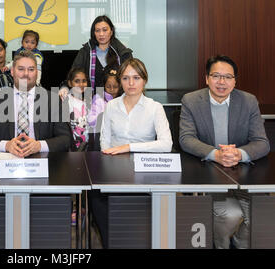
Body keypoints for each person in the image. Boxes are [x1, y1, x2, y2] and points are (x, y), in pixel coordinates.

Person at [179, 55, 270, 249]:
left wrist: (239, 154)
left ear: (235, 81)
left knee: (264, 213)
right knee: (231, 214)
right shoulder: (191, 101)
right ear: (206, 78)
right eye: (216, 76)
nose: (222, 82)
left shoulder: (248, 101)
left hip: (245, 174)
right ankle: (220, 245)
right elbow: (186, 139)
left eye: (228, 77)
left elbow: (262, 142)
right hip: (209, 172)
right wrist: (215, 154)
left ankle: (238, 243)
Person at [91, 58, 172, 248]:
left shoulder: (155, 108)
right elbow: (105, 142)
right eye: (126, 78)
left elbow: (166, 144)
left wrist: (129, 147)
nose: (131, 83)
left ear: (144, 80)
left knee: (136, 207)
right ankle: (111, 243)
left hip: (146, 170)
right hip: (115, 169)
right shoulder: (111, 106)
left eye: (136, 78)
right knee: (96, 198)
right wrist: (114, 156)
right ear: (120, 81)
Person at [0, 50, 71, 156]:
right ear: (12, 71)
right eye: (21, 69)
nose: (26, 74)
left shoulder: (52, 99)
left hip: (41, 161)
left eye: (31, 69)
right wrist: (6, 145)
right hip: (7, 162)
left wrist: (39, 146)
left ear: (37, 72)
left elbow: (65, 139)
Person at [60, 15, 133, 99]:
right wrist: (64, 88)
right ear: (94, 33)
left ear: (111, 31)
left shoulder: (123, 53)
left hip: (118, 103)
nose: (101, 34)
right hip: (89, 102)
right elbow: (73, 76)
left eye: (105, 30)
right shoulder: (85, 52)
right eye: (97, 31)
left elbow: (131, 80)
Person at [87, 68, 121, 150]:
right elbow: (90, 120)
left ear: (120, 86)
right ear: (104, 86)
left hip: (118, 139)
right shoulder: (99, 99)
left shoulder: (123, 100)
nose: (112, 90)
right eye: (108, 87)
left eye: (115, 87)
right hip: (100, 139)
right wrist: (104, 115)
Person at [65, 67, 89, 151]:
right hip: (69, 149)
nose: (81, 84)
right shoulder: (65, 101)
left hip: (86, 148)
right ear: (70, 83)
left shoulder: (89, 102)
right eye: (77, 81)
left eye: (84, 81)